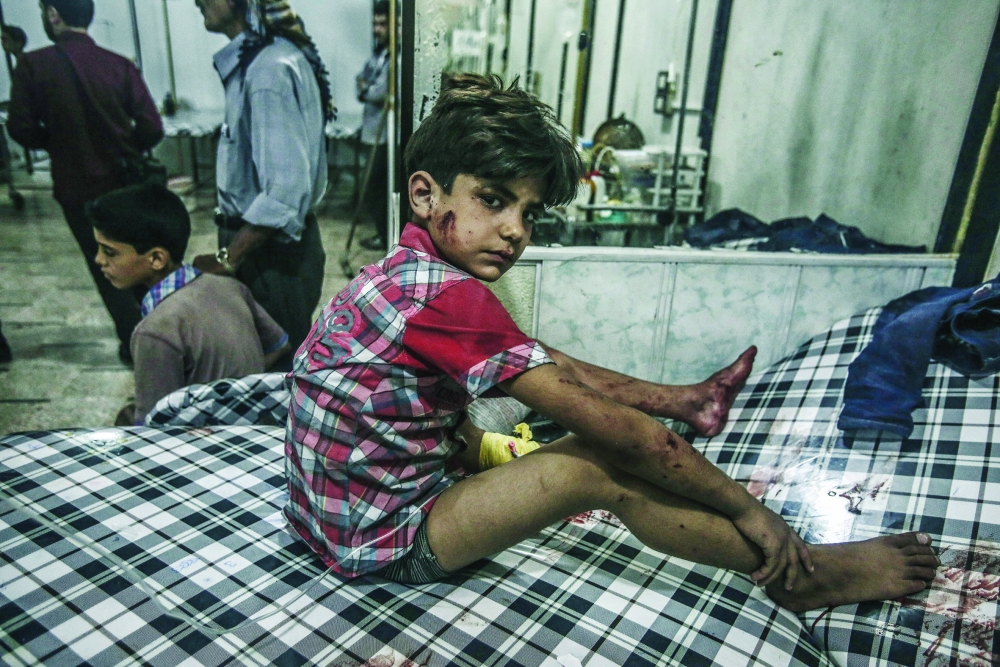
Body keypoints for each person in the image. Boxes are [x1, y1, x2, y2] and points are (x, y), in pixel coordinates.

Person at [283, 74, 939, 611]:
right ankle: (804, 573)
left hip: (321, 515)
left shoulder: (400, 273)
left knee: (526, 384)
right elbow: (634, 439)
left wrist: (666, 401)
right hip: (382, 540)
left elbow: (533, 362)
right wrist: (750, 509)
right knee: (593, 465)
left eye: (529, 213)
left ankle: (687, 403)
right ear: (426, 195)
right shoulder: (449, 299)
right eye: (494, 200)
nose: (515, 230)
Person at [7, 0, 164, 364]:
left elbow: (20, 127)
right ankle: (162, 333)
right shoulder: (118, 64)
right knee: (140, 260)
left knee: (106, 268)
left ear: (53, 14)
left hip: (75, 187)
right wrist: (127, 146)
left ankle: (134, 344)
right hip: (125, 184)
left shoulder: (33, 65)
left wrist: (56, 142)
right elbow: (152, 127)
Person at [191, 0, 334, 367]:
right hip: (270, 250)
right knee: (272, 364)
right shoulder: (269, 59)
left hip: (269, 255)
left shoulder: (268, 71)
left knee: (275, 372)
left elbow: (283, 192)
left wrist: (230, 257)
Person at [88, 184, 289, 426]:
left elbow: (154, 427)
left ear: (156, 259)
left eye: (109, 252)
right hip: (254, 426)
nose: (99, 259)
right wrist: (235, 393)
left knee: (125, 419)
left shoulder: (154, 331)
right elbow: (279, 345)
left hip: (204, 439)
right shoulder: (230, 287)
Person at [356, 0, 390, 251]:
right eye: (375, 23)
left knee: (376, 187)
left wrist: (365, 88)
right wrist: (366, 87)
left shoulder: (395, 59)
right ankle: (383, 232)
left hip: (385, 134)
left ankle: (386, 235)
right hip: (371, 129)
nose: (377, 29)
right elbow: (361, 79)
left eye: (382, 24)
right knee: (372, 186)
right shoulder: (379, 55)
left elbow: (377, 92)